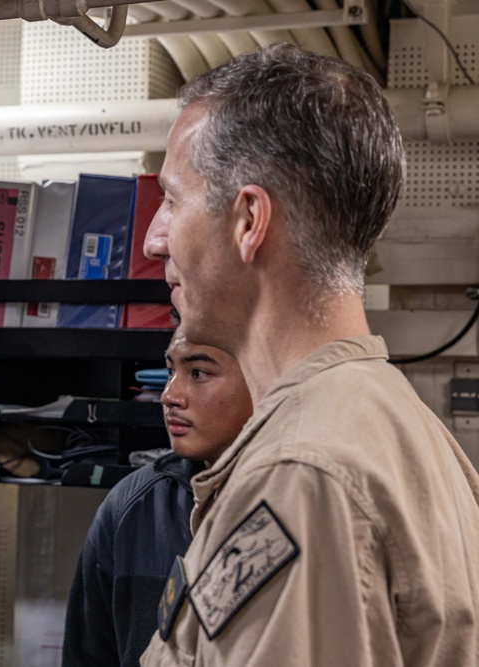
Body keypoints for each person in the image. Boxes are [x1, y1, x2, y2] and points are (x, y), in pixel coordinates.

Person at [140, 43, 479, 666]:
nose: (153, 238)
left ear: (249, 221)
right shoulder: (400, 426)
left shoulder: (300, 475)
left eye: (172, 199)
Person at [63, 327, 252, 667]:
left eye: (198, 373)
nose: (169, 395)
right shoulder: (129, 508)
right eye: (170, 372)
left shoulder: (296, 502)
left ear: (261, 380)